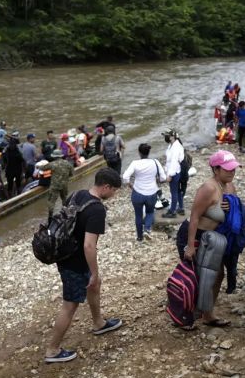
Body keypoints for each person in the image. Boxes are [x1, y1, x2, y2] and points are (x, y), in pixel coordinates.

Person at [44, 168, 123, 364]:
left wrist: (94, 277)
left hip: (64, 254)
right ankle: (52, 350)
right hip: (76, 262)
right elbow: (89, 245)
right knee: (70, 304)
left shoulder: (77, 194)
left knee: (94, 286)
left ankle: (99, 323)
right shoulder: (97, 210)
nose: (114, 194)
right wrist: (94, 272)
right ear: (105, 187)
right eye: (114, 190)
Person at [175, 150, 240, 327]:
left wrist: (229, 207)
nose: (232, 172)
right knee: (195, 277)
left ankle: (207, 313)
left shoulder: (229, 186)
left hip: (213, 238)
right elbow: (194, 216)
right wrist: (190, 246)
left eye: (234, 169)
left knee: (218, 274)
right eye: (228, 169)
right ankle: (184, 315)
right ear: (216, 169)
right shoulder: (208, 188)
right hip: (193, 234)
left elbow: (234, 212)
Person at [122, 143, 167, 242]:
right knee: (150, 212)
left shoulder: (135, 163)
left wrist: (130, 185)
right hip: (152, 193)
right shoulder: (155, 162)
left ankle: (139, 237)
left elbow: (125, 177)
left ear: (139, 152)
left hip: (137, 193)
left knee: (138, 215)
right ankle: (147, 229)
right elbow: (163, 178)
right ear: (148, 152)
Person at [40, 149, 75, 223]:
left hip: (55, 186)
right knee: (64, 199)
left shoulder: (52, 164)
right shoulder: (67, 163)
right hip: (64, 185)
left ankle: (50, 218)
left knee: (51, 201)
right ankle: (65, 214)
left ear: (54, 156)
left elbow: (42, 168)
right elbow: (72, 174)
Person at [162, 129, 185, 218]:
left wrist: (170, 175)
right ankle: (181, 208)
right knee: (178, 191)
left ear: (172, 136)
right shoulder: (172, 145)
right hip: (176, 171)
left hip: (174, 172)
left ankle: (172, 211)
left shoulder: (175, 147)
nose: (165, 137)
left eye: (166, 136)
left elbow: (174, 162)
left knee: (174, 192)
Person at [3, 131, 25, 197]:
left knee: (17, 184)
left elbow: (22, 161)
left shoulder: (16, 151)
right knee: (11, 184)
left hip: (16, 170)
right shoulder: (7, 151)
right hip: (11, 171)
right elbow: (4, 162)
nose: (12, 145)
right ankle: (12, 196)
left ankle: (18, 195)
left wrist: (23, 171)